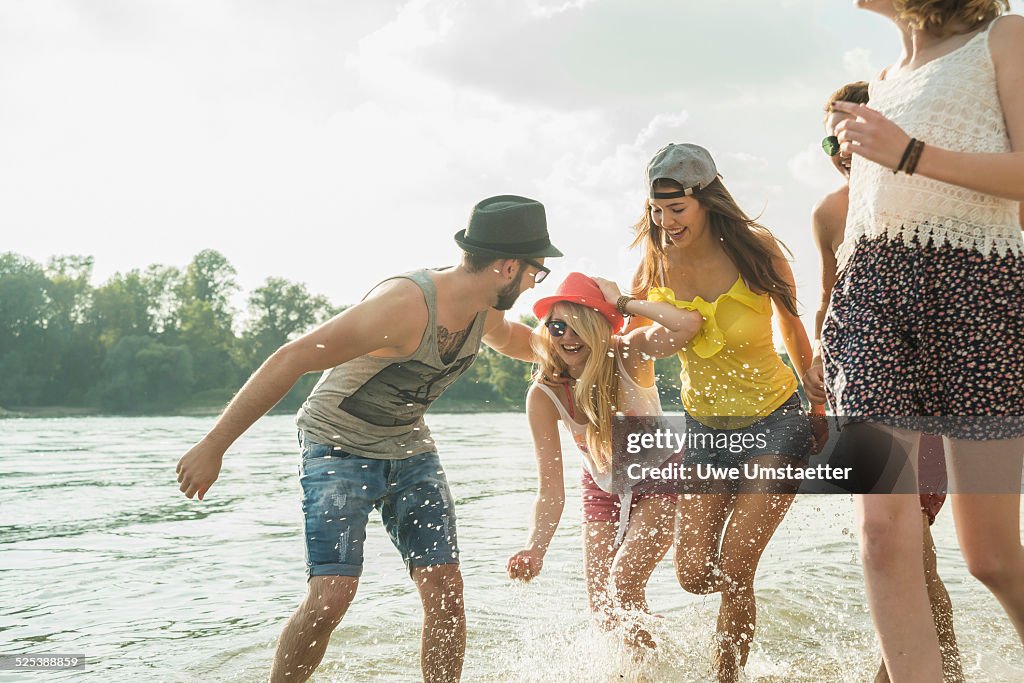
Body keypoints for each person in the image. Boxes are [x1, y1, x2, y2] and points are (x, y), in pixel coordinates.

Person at [175, 195, 562, 683]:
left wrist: (588, 353)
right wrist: (214, 446)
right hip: (336, 444)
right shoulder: (403, 306)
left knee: (445, 590)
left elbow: (520, 343)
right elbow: (291, 357)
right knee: (332, 594)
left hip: (409, 447)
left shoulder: (485, 312)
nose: (534, 283)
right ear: (507, 266)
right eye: (536, 273)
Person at [821, 1, 1024, 680]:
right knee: (882, 535)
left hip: (980, 298)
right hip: (874, 300)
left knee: (990, 556)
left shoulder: (1003, 37)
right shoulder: (881, 79)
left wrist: (906, 152)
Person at [629, 143, 818, 682]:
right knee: (690, 574)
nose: (665, 221)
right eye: (656, 210)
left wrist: (819, 399)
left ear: (706, 200)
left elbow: (791, 326)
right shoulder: (655, 256)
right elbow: (638, 336)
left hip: (777, 420)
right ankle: (745, 598)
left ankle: (726, 673)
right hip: (705, 429)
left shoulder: (755, 250)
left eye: (677, 210)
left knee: (735, 566)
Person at [805, 81, 963, 682]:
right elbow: (830, 300)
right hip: (862, 397)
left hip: (930, 402)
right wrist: (821, 369)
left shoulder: (937, 200)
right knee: (905, 561)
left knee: (908, 559)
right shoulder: (828, 214)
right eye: (831, 138)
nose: (840, 149)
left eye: (851, 132)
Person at [506, 272, 702, 648]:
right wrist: (535, 547)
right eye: (557, 327)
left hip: (664, 475)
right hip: (603, 486)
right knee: (603, 610)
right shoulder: (544, 394)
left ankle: (651, 669)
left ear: (598, 325)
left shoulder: (629, 352)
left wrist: (623, 302)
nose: (566, 336)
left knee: (624, 581)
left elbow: (687, 325)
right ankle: (652, 661)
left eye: (577, 326)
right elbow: (549, 489)